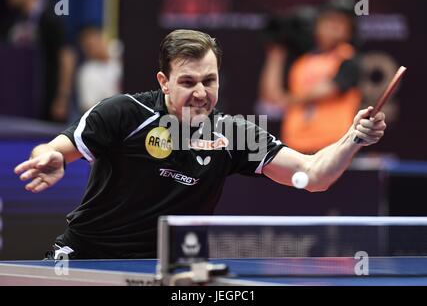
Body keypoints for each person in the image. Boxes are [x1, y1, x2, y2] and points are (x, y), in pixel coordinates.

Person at [14, 29, 386, 259]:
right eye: (188, 82)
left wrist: (354, 138)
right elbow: (54, 149)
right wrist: (47, 156)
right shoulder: (124, 113)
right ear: (164, 81)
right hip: (88, 260)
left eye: (209, 80)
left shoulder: (235, 134)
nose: (200, 93)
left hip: (170, 268)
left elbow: (313, 175)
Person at [259, 0, 361, 154]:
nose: (333, 27)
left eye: (340, 23)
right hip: (296, 146)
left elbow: (327, 90)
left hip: (334, 147)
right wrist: (276, 52)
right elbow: (272, 96)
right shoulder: (301, 63)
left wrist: (288, 100)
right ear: (317, 26)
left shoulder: (348, 57)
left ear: (350, 30)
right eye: (328, 21)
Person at [4, 0, 75, 122]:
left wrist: (62, 99)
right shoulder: (16, 21)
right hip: (23, 108)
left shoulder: (52, 17)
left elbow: (67, 56)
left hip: (49, 108)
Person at [76, 25, 122, 114]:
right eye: (89, 46)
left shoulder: (119, 51)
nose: (94, 48)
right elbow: (88, 106)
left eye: (96, 41)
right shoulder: (87, 72)